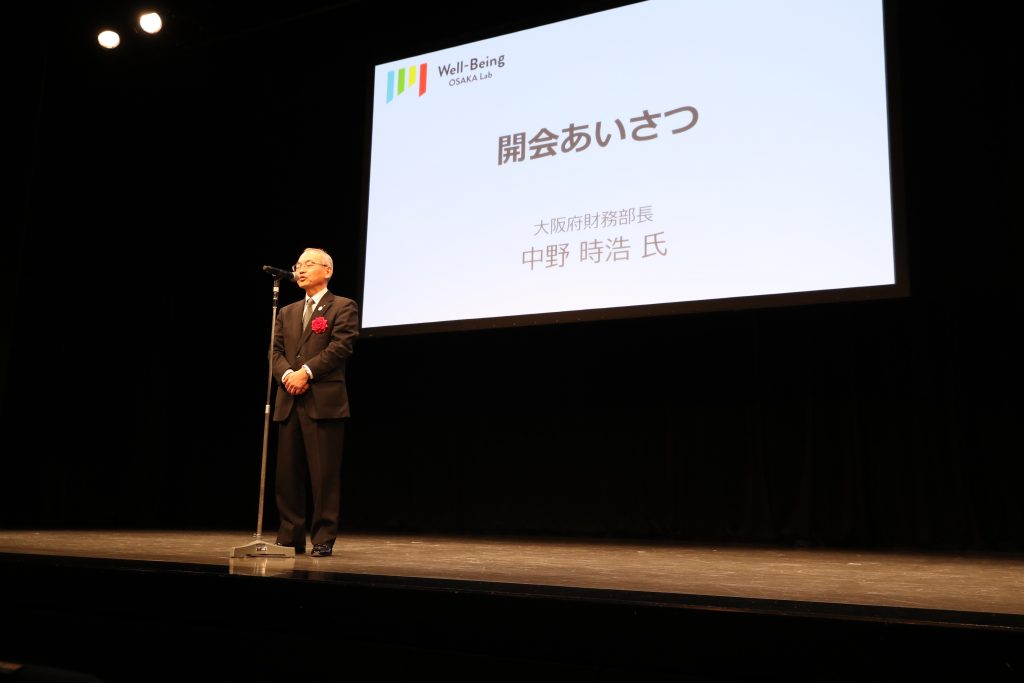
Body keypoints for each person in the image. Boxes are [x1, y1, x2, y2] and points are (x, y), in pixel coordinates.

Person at [272, 247, 359, 557]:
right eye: (298, 265)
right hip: (289, 399)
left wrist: (306, 373)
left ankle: (323, 537)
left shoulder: (343, 306)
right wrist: (287, 375)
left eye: (309, 264)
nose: (301, 269)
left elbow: (340, 347)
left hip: (324, 402)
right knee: (287, 475)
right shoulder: (287, 311)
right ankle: (289, 536)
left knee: (324, 475)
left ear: (328, 270)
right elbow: (275, 351)